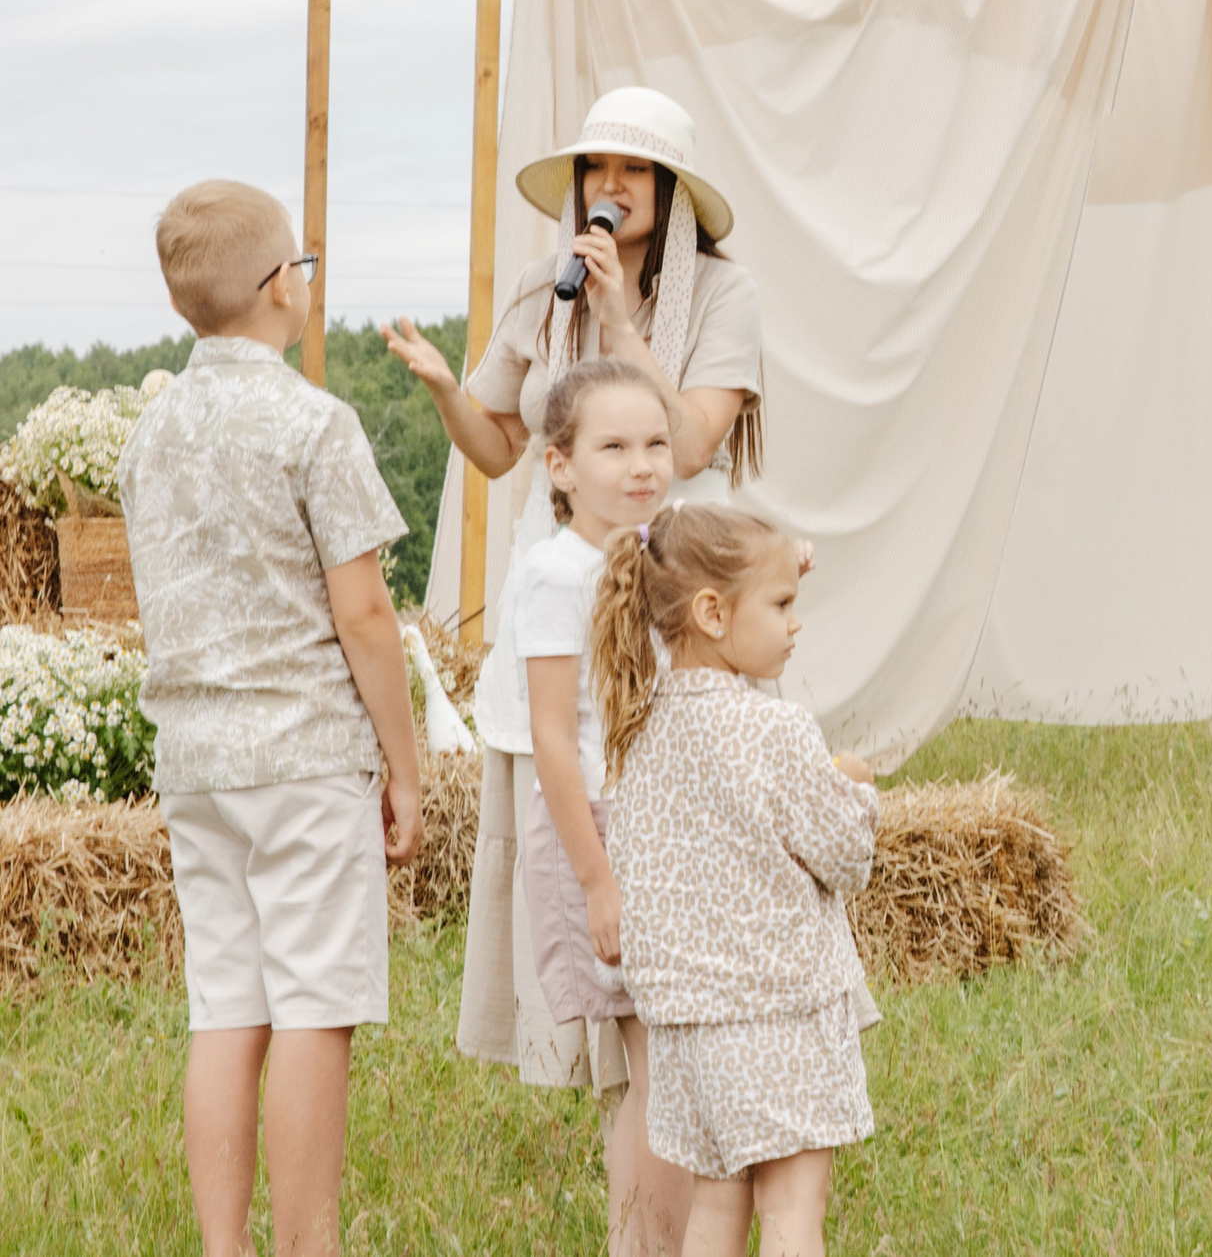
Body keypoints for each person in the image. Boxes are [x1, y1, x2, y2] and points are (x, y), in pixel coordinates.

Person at [383, 86, 765, 1097]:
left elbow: (688, 446)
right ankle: (603, 1051)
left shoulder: (723, 299)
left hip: (673, 594)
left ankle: (687, 1036)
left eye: (632, 171)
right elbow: (500, 448)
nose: (610, 187)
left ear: (670, 192)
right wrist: (440, 386)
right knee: (570, 793)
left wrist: (622, 318)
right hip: (564, 597)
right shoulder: (540, 288)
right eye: (598, 170)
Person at [117, 181, 421, 1256]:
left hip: (197, 760)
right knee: (311, 1008)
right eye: (304, 264)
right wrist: (406, 763)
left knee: (225, 1008)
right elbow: (366, 613)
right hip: (302, 755)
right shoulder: (314, 423)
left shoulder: (149, 431)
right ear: (280, 288)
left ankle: (224, 1245)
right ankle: (306, 1243)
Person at [592, 501, 880, 1257]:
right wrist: (851, 784)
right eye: (782, 604)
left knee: (715, 1213)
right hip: (775, 1012)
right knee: (792, 1209)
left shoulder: (639, 732)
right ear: (713, 612)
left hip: (688, 1026)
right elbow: (846, 856)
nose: (795, 623)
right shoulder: (774, 730)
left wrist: (778, 563)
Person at [501, 358, 691, 1254]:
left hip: (666, 836)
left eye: (656, 442)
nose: (642, 464)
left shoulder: (667, 554)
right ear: (560, 465)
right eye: (613, 446)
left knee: (675, 1066)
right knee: (654, 1073)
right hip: (599, 840)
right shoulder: (557, 572)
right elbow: (550, 739)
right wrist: (599, 882)